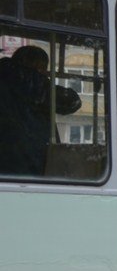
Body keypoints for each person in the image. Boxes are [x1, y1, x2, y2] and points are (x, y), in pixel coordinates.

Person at [0, 44, 82, 176]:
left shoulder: (8, 80)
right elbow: (72, 101)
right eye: (43, 69)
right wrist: (41, 79)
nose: (45, 74)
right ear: (34, 66)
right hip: (26, 165)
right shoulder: (27, 80)